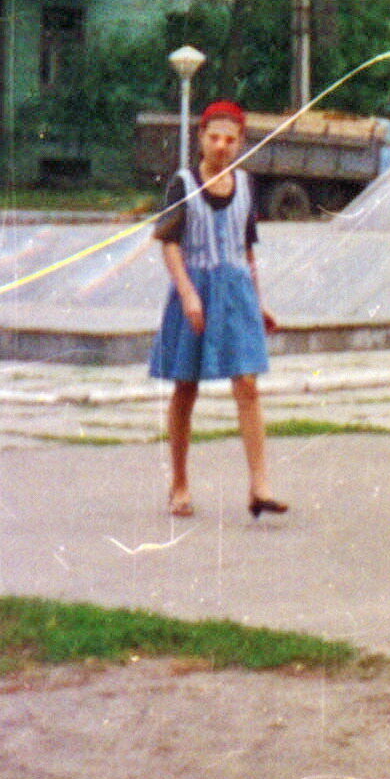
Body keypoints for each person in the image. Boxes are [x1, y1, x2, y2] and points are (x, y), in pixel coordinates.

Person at [149, 101, 285, 520]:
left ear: (241, 142)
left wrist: (258, 301)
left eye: (230, 139)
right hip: (195, 289)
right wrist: (188, 293)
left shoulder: (245, 184)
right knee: (185, 387)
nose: (222, 146)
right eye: (214, 138)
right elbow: (169, 244)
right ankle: (179, 483)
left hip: (236, 292)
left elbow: (246, 249)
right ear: (201, 138)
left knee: (247, 384)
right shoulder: (183, 183)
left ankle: (259, 486)